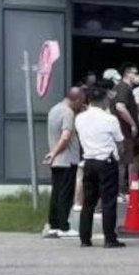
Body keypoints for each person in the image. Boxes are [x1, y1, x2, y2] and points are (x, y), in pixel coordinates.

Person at [74, 85, 126, 249]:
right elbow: (120, 143)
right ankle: (109, 238)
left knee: (88, 201)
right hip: (106, 162)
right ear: (104, 100)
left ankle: (85, 238)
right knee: (108, 201)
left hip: (88, 162)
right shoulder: (110, 119)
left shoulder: (79, 118)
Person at [41, 87, 86, 238]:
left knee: (56, 193)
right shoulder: (68, 112)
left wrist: (53, 154)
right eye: (81, 101)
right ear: (77, 99)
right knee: (65, 195)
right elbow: (66, 136)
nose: (82, 105)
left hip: (56, 161)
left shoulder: (54, 109)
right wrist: (54, 152)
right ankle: (64, 227)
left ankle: (53, 225)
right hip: (67, 159)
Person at [111, 64, 139, 197]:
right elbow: (120, 107)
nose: (137, 76)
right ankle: (123, 190)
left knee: (124, 161)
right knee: (125, 162)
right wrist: (133, 124)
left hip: (121, 130)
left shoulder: (120, 88)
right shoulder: (124, 89)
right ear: (127, 74)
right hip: (124, 131)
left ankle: (122, 190)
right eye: (135, 73)